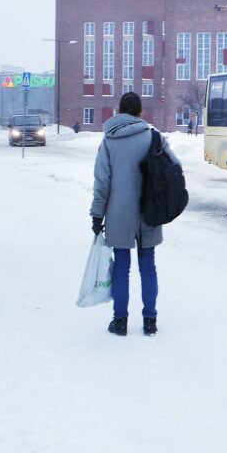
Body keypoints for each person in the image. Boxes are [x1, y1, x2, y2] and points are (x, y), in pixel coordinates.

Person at [90, 92, 180, 336]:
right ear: (141, 112)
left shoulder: (109, 140)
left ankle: (120, 321)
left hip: (119, 212)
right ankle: (150, 320)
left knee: (121, 265)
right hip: (150, 208)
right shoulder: (154, 137)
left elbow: (102, 182)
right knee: (147, 264)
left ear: (120, 111)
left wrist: (97, 215)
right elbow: (176, 167)